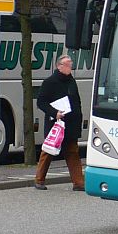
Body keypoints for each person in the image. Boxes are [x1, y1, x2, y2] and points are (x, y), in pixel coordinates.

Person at [34, 54, 84, 191]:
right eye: (67, 65)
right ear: (59, 66)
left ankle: (79, 182)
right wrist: (54, 113)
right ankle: (39, 180)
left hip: (71, 123)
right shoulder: (50, 82)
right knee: (49, 151)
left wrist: (78, 118)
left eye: (71, 64)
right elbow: (41, 102)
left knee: (72, 152)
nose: (70, 67)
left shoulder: (71, 81)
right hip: (56, 124)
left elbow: (76, 101)